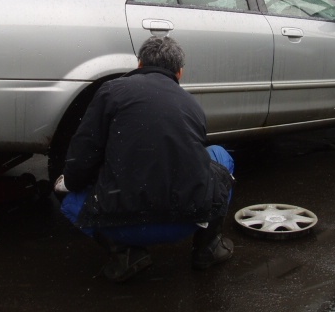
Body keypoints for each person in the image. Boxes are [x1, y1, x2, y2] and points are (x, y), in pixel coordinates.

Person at [54, 36, 235, 282]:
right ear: (179, 72)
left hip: (123, 225)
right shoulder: (192, 104)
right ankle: (207, 248)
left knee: (65, 192)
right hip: (187, 222)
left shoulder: (111, 91)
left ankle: (126, 254)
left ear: (139, 64)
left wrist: (71, 182)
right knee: (220, 155)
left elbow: (83, 153)